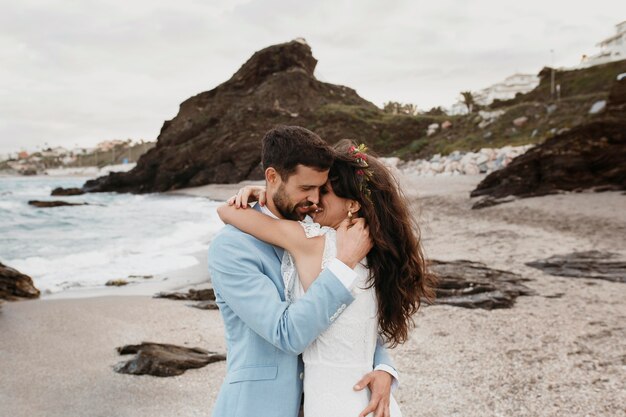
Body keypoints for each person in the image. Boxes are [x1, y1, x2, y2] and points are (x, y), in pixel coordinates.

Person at [218, 139, 437, 417]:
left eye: (324, 191)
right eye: (309, 189)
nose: (315, 200)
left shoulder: (314, 241)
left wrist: (262, 192)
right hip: (363, 400)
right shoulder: (371, 251)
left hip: (331, 402)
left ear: (353, 205)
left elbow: (225, 211)